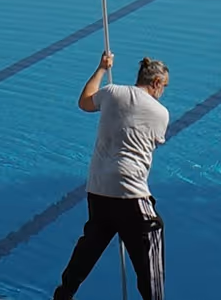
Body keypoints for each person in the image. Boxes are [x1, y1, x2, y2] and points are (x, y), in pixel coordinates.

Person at [53, 50, 171, 300]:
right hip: (131, 194)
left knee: (88, 250)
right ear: (157, 83)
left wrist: (102, 68)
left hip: (98, 190)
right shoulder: (160, 113)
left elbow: (84, 101)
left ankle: (62, 296)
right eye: (165, 86)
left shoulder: (111, 92)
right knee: (151, 249)